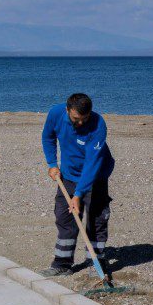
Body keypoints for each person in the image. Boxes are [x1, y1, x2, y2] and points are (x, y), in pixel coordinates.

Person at [39, 93, 114, 276]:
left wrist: (78, 194)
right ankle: (62, 264)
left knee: (96, 219)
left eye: (84, 119)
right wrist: (51, 164)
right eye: (76, 119)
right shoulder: (56, 114)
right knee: (65, 218)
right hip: (68, 175)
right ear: (67, 110)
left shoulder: (98, 125)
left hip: (96, 176)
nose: (80, 123)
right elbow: (48, 137)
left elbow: (92, 163)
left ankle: (95, 263)